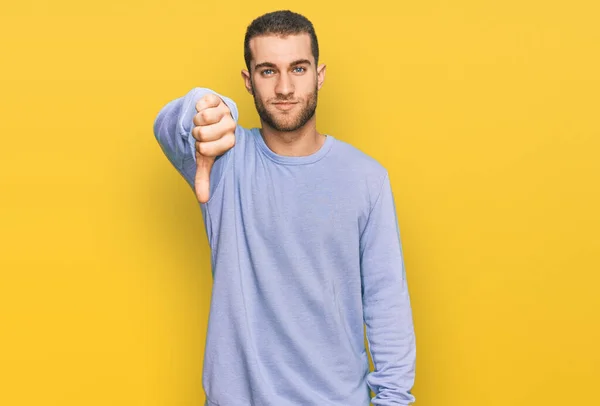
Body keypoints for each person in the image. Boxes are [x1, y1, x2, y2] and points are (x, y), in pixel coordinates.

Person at [152, 9, 416, 406]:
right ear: (249, 81)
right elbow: (169, 125)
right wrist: (207, 109)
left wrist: (393, 400)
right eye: (268, 71)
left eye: (298, 68)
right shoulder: (224, 161)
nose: (286, 87)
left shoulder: (367, 179)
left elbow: (386, 305)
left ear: (319, 74)